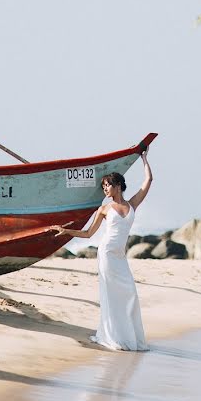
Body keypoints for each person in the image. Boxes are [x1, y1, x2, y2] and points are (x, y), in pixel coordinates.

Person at [49, 150, 153, 351]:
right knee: (111, 295)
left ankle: (129, 336)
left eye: (107, 185)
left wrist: (144, 159)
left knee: (130, 293)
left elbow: (148, 180)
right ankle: (113, 336)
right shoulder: (104, 209)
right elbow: (88, 234)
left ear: (118, 186)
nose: (105, 189)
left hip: (120, 257)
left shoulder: (132, 205)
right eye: (103, 186)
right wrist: (65, 231)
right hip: (106, 254)